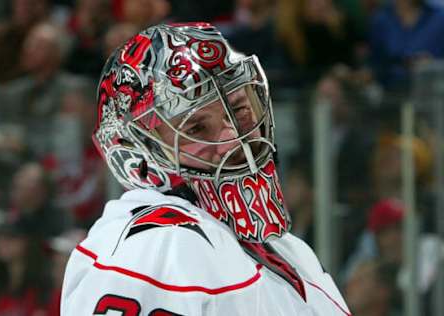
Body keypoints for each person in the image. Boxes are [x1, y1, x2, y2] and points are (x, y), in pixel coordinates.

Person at [61, 23, 350, 315]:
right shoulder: (156, 248)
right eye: (197, 127)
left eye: (238, 110)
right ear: (141, 154)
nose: (232, 138)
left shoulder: (291, 251)